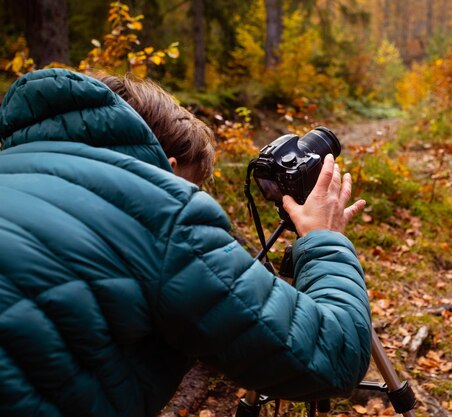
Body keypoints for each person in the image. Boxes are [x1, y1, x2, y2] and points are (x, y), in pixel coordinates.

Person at [0, 68, 371, 417]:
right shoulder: (158, 210)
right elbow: (333, 354)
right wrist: (324, 239)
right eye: (191, 188)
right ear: (171, 169)